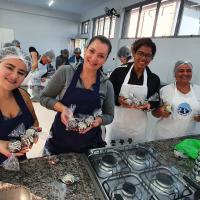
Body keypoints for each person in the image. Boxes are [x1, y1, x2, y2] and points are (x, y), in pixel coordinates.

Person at [40, 35, 114, 154]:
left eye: (101, 56)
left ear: (105, 59)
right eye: (92, 51)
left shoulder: (107, 84)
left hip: (90, 144)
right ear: (85, 50)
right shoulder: (65, 72)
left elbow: (109, 115)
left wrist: (98, 120)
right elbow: (44, 98)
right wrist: (63, 108)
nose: (94, 58)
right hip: (60, 140)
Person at [105, 38, 160, 145]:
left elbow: (156, 101)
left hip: (138, 128)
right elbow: (107, 95)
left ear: (152, 58)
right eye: (140, 53)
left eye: (148, 55)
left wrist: (149, 105)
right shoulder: (118, 72)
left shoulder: (153, 79)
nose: (143, 58)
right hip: (117, 125)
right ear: (134, 53)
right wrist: (118, 99)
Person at [0, 46, 39, 164]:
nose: (14, 76)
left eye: (21, 73)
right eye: (9, 68)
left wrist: (31, 134)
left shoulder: (23, 96)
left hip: (19, 164)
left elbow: (35, 123)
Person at [152, 61, 200, 140]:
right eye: (181, 71)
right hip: (165, 137)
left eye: (188, 71)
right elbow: (154, 112)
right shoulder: (164, 90)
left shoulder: (198, 90)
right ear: (174, 73)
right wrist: (160, 111)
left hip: (189, 137)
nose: (185, 73)